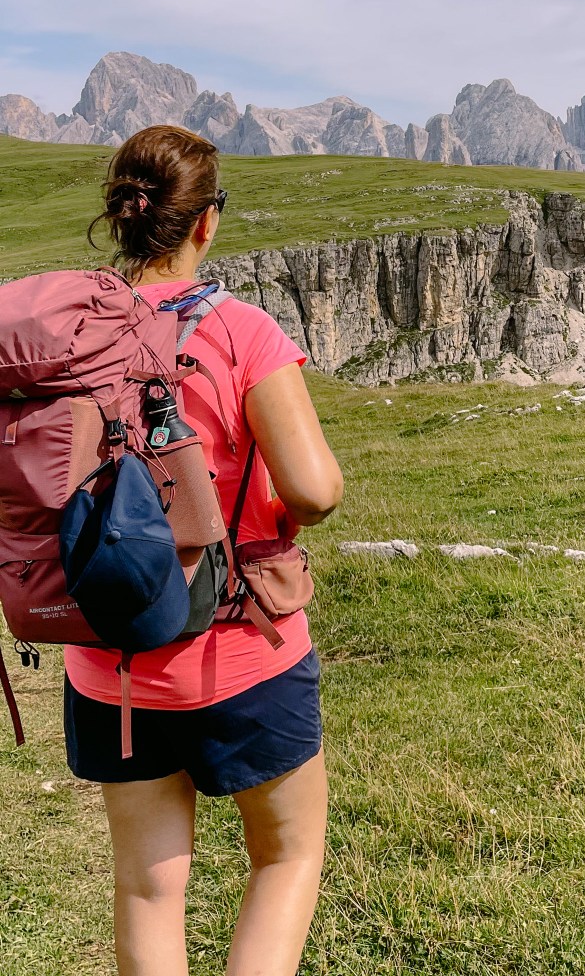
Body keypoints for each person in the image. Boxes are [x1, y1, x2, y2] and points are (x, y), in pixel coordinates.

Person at [63, 124, 344, 976]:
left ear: (120, 215)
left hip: (109, 663)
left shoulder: (69, 336)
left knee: (148, 891)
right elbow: (315, 491)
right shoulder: (242, 330)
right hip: (242, 655)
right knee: (286, 857)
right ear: (206, 223)